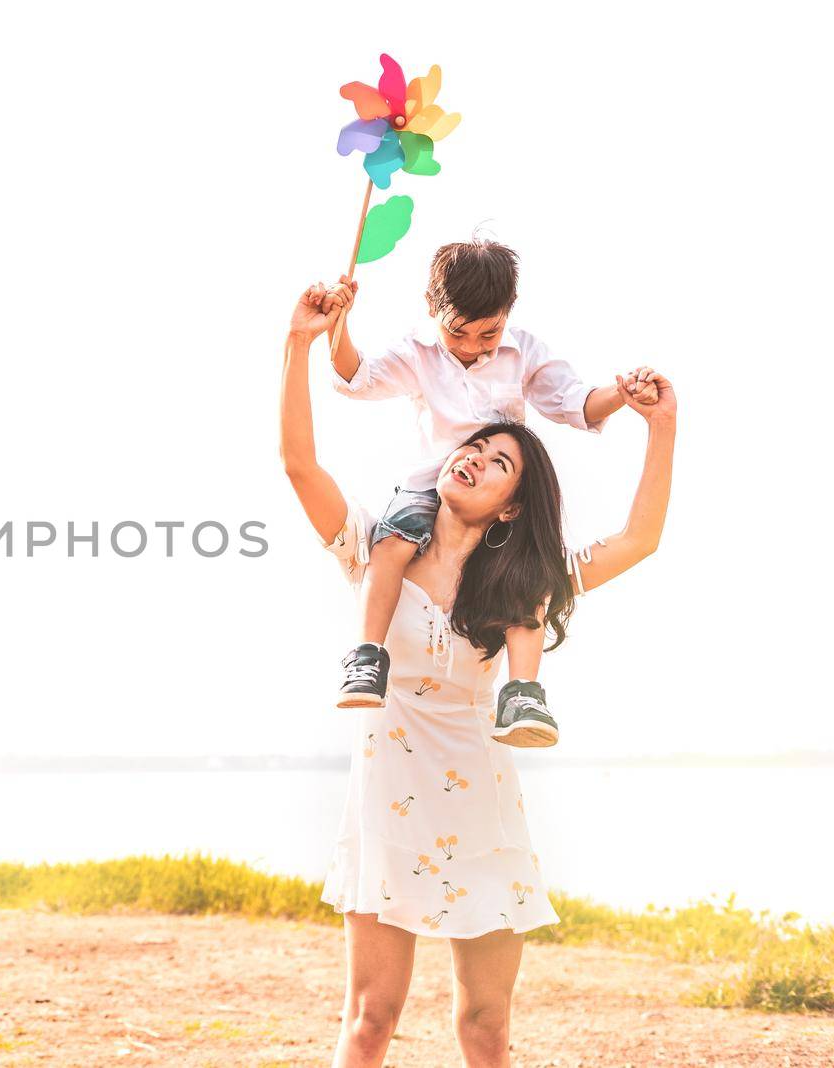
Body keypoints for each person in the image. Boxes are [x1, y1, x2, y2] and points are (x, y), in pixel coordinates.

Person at [280, 289, 677, 1068]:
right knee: (369, 1020)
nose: (476, 457)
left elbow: (640, 538)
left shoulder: (522, 585)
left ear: (508, 509)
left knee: (485, 1028)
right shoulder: (374, 551)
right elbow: (299, 464)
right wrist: (296, 348)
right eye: (477, 449)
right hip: (388, 799)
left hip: (481, 809)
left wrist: (659, 425)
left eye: (502, 463)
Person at [315, 239, 658, 749]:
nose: (474, 346)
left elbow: (577, 404)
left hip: (501, 498)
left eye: (489, 332)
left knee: (530, 579)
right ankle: (368, 654)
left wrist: (624, 395)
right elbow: (356, 378)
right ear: (432, 309)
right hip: (433, 485)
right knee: (389, 547)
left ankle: (522, 691)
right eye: (459, 333)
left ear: (509, 313)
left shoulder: (525, 352)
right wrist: (336, 327)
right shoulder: (418, 352)